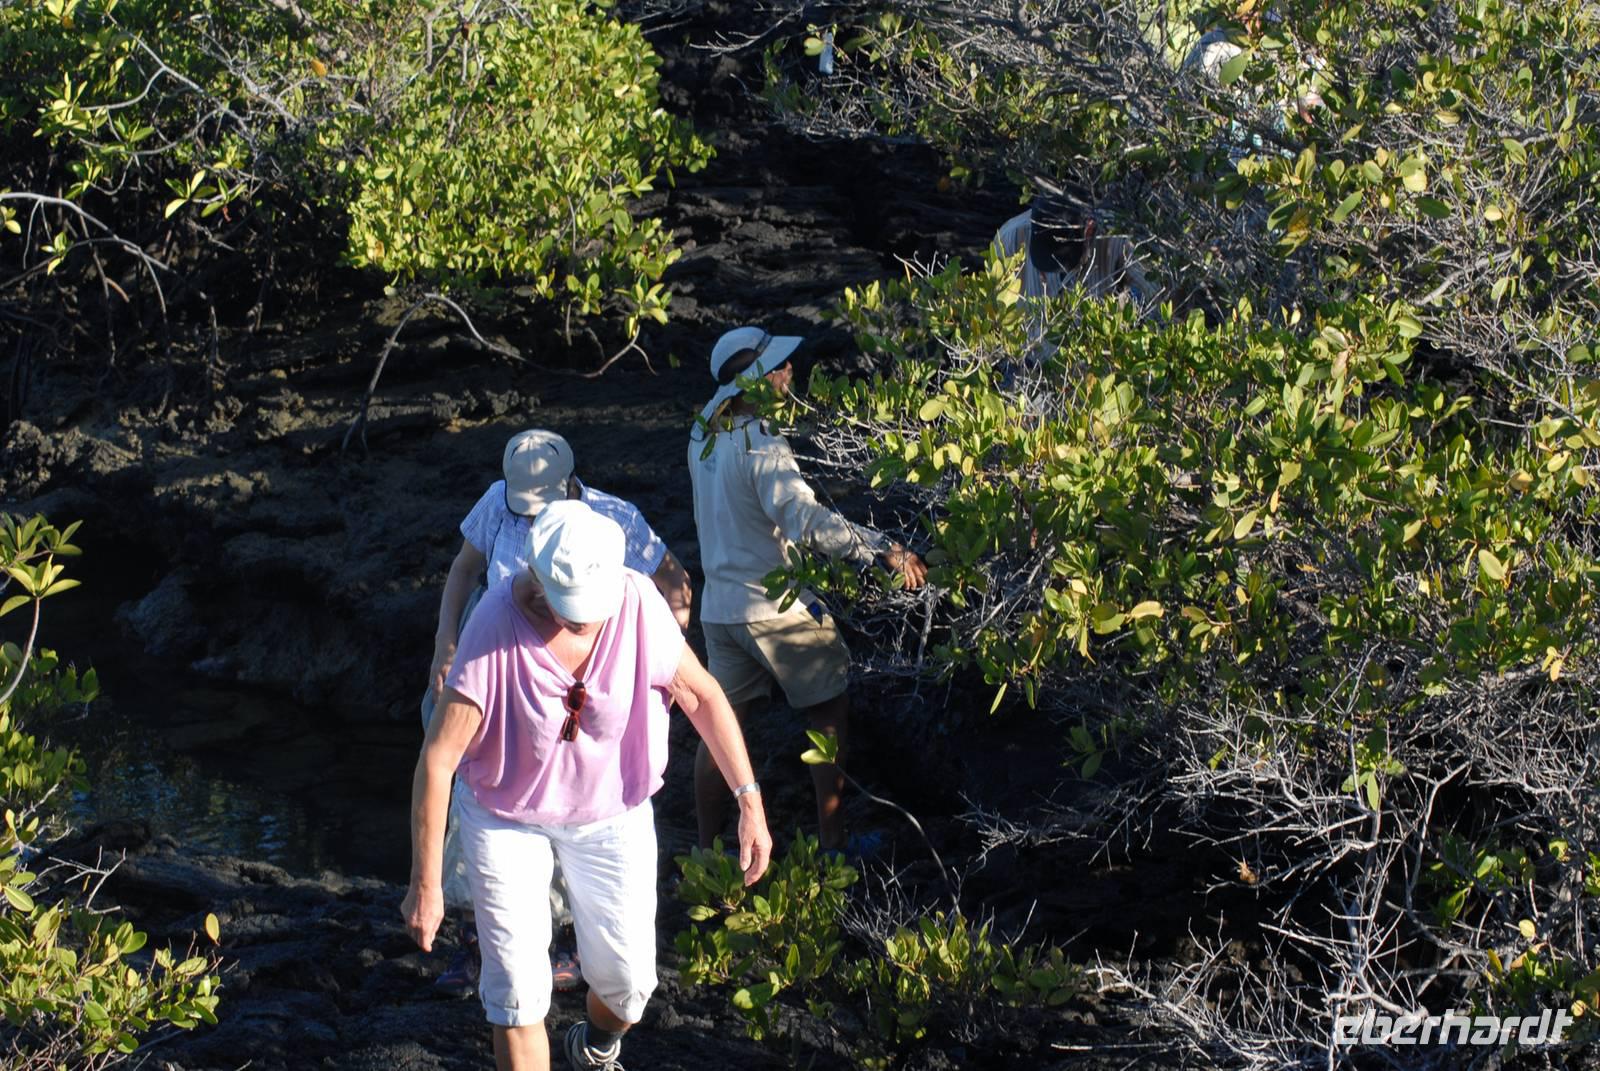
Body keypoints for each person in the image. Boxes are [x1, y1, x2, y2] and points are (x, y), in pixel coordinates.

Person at [403, 500, 772, 1071]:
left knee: (628, 987)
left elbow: (701, 697)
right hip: (506, 818)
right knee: (519, 993)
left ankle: (595, 1045)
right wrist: (425, 884)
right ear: (539, 579)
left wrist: (749, 801)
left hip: (611, 813)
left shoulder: (638, 603)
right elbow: (438, 760)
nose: (585, 622)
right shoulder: (495, 624)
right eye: (571, 610)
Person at [423, 429, 692, 993]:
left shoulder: (611, 519)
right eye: (524, 504)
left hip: (574, 697)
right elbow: (463, 571)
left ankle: (568, 938)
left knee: (575, 811)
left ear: (570, 482)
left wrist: (656, 668)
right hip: (500, 682)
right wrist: (448, 642)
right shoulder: (498, 506)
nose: (530, 514)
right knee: (474, 802)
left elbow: (674, 582)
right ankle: (481, 941)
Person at [687, 326, 927, 855]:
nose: (789, 372)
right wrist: (879, 547)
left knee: (719, 729)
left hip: (720, 610)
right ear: (757, 380)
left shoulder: (703, 432)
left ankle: (705, 853)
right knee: (828, 712)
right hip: (775, 607)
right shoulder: (763, 444)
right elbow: (803, 521)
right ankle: (833, 847)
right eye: (779, 367)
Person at [992, 193, 1157, 362]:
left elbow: (1163, 296)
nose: (1046, 276)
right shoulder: (1009, 238)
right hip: (1029, 367)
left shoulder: (1118, 239)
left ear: (1089, 230)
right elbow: (991, 318)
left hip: (1099, 369)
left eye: (1063, 262)